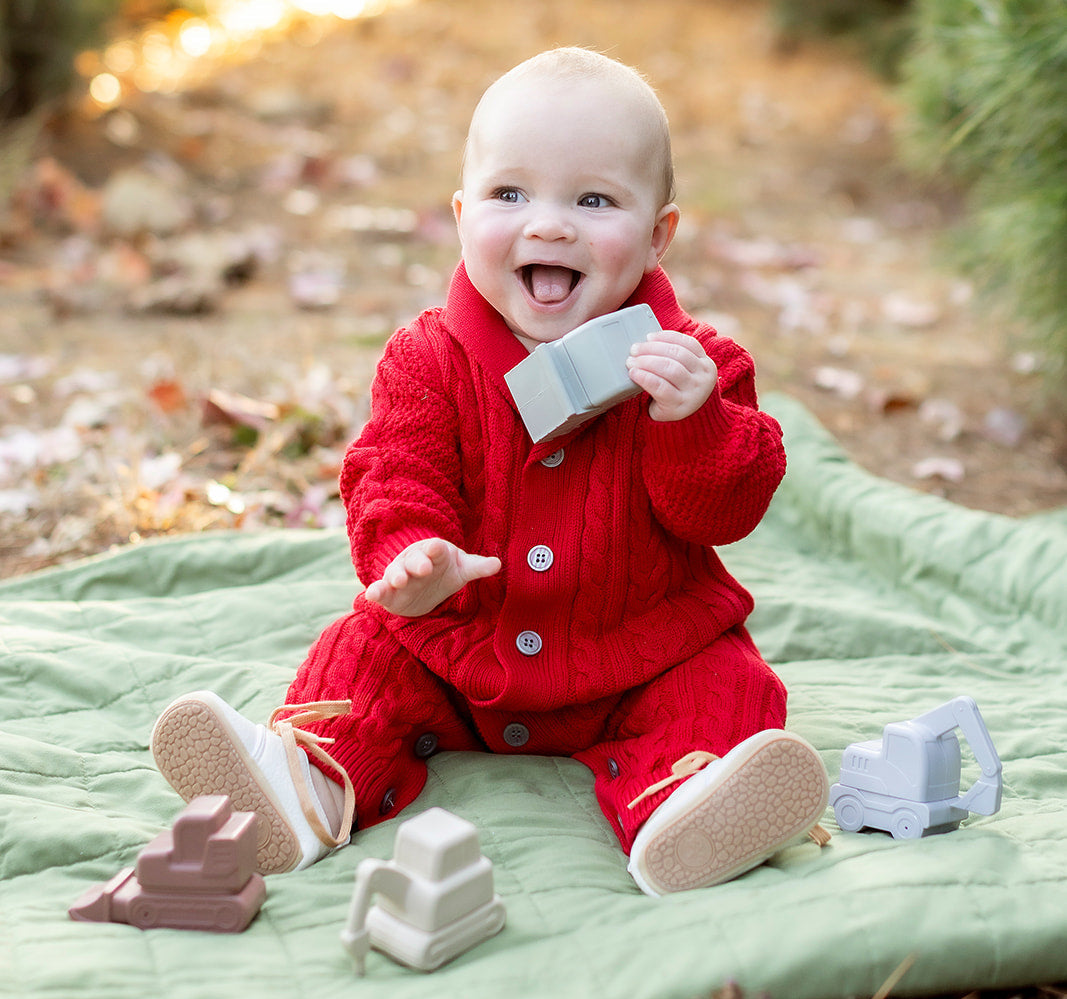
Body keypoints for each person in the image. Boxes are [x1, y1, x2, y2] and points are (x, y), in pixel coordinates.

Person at [151, 47, 829, 897]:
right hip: (456, 650)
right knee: (361, 656)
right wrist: (409, 554)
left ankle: (686, 803)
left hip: (641, 650)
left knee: (724, 683)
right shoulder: (427, 358)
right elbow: (392, 470)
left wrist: (692, 422)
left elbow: (724, 509)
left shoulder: (698, 366)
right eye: (511, 195)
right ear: (463, 213)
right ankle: (304, 783)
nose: (548, 225)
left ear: (658, 234)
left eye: (593, 199)